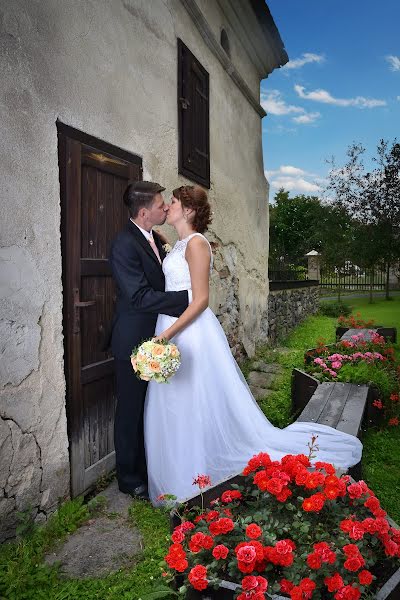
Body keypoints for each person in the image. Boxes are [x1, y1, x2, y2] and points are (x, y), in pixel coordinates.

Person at [144, 185, 362, 504]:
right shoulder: (177, 245)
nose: (168, 207)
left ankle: (194, 475)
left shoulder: (197, 244)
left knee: (194, 399)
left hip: (188, 332)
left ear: (188, 210)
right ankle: (182, 468)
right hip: (171, 326)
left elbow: (201, 299)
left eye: (173, 202)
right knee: (175, 400)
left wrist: (167, 335)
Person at [109, 181, 189, 499]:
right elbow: (140, 296)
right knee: (130, 410)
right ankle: (129, 480)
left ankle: (148, 466)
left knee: (148, 408)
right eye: (160, 205)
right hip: (132, 339)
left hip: (154, 338)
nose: (165, 208)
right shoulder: (123, 245)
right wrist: (186, 299)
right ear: (144, 212)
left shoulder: (153, 237)